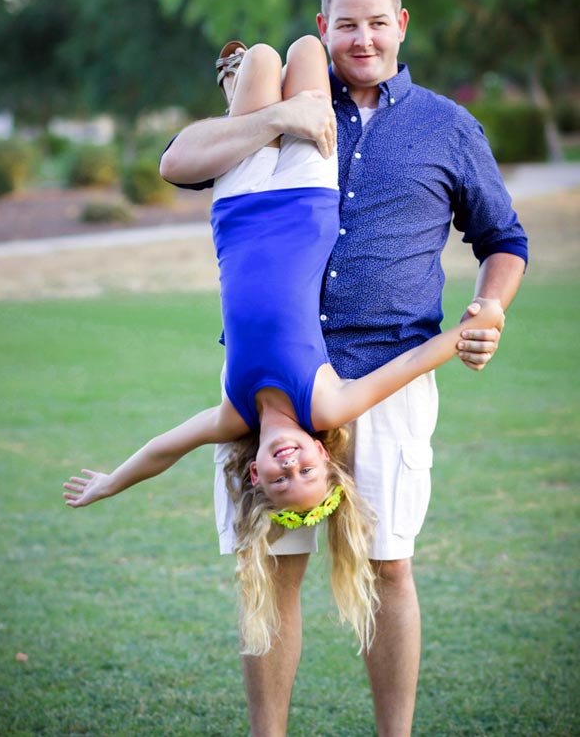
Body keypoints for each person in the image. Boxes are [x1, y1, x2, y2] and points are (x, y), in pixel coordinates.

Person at [159, 0, 528, 737]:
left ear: (402, 25)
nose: (362, 37)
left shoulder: (446, 127)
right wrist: (278, 116)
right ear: (325, 30)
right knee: (273, 572)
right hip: (275, 386)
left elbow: (503, 240)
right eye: (346, 24)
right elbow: (182, 163)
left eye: (376, 21)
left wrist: (489, 305)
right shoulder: (289, 98)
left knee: (389, 565)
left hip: (389, 371)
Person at [63, 34, 503, 664]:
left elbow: (163, 449)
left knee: (263, 58)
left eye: (279, 479)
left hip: (238, 208)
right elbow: (404, 366)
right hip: (307, 199)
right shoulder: (324, 405)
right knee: (298, 49)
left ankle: (237, 78)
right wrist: (471, 328)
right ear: (325, 457)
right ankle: (237, 79)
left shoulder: (233, 415)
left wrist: (110, 482)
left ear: (255, 473)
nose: (291, 465)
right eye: (308, 473)